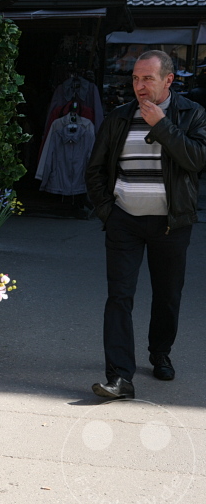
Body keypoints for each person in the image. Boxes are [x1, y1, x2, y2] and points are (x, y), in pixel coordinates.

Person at [85, 50, 206, 399]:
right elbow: (95, 169)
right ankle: (119, 377)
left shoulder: (192, 113)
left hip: (171, 223)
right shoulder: (119, 117)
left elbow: (197, 159)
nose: (139, 85)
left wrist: (162, 126)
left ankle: (160, 352)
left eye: (147, 78)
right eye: (135, 78)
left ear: (168, 80)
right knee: (119, 297)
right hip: (125, 221)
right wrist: (109, 212)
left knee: (167, 295)